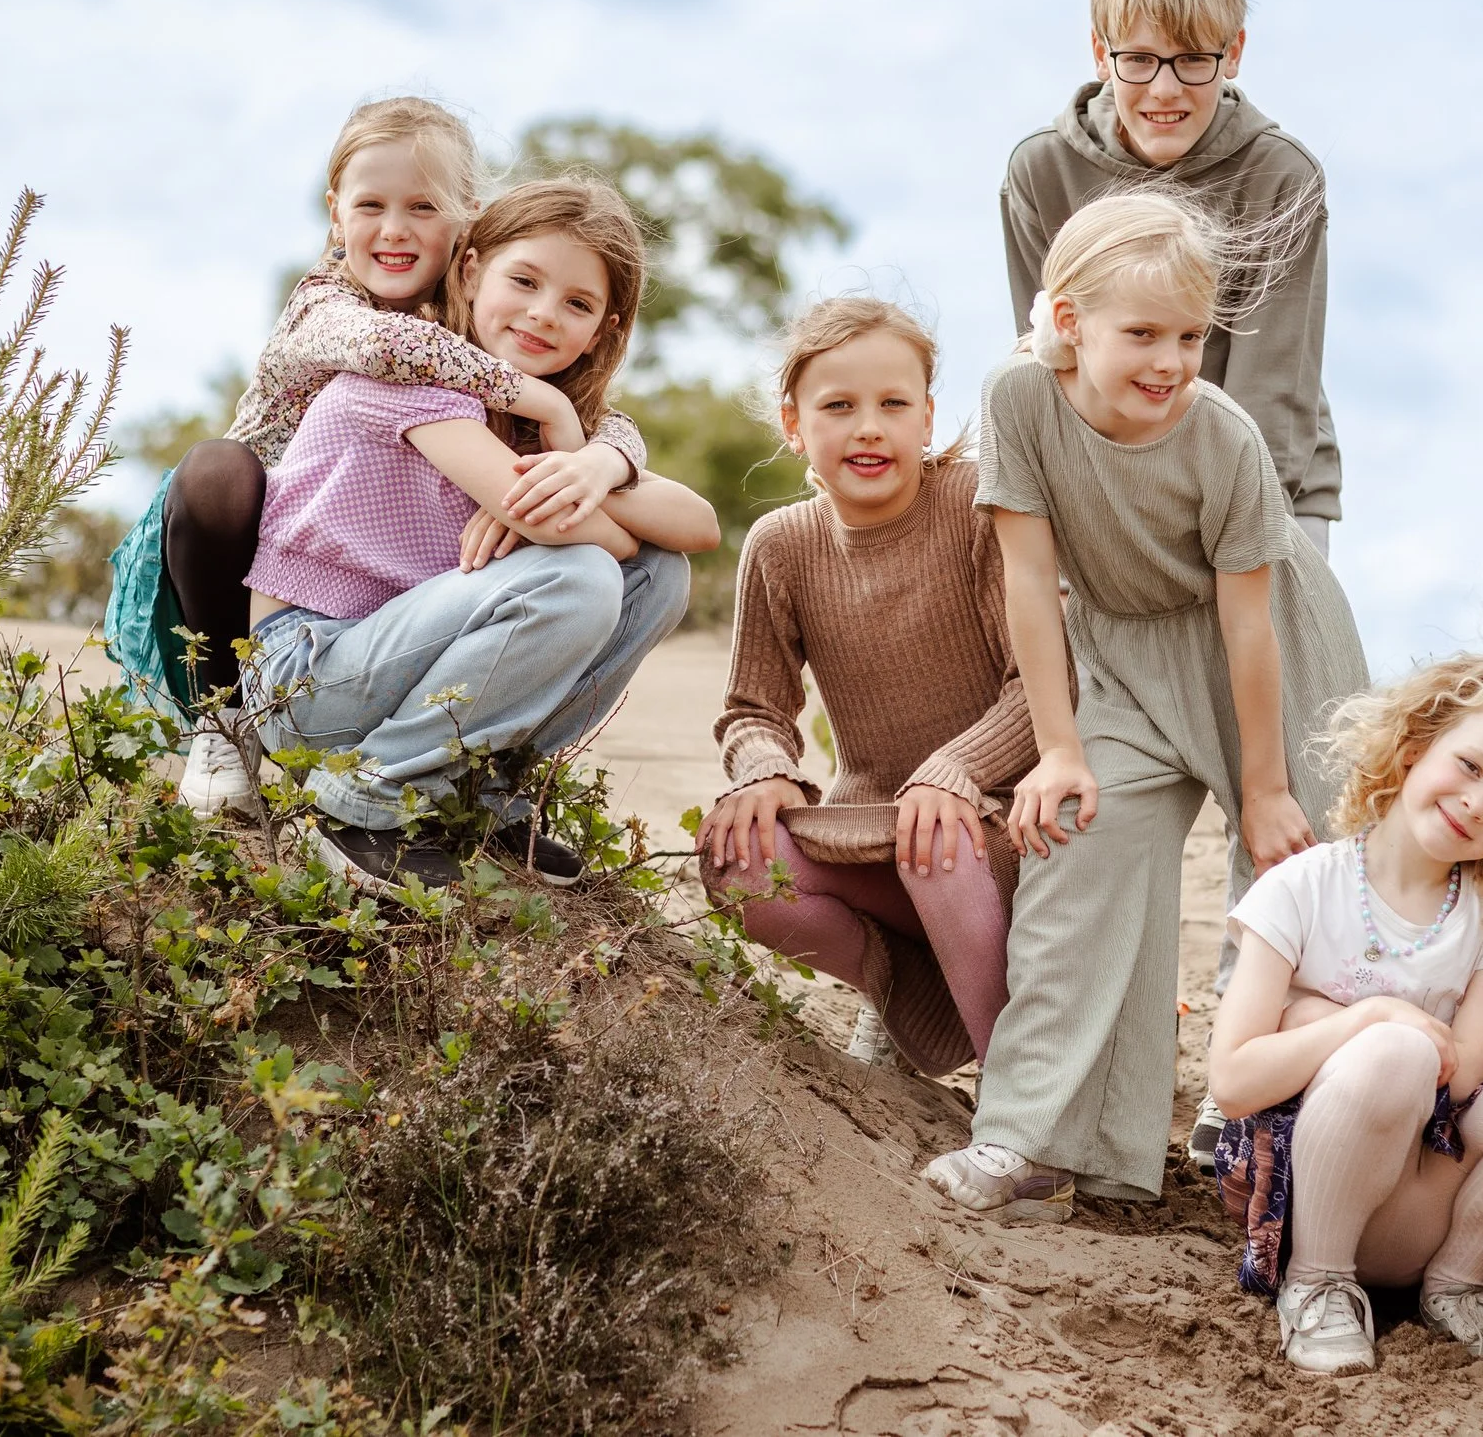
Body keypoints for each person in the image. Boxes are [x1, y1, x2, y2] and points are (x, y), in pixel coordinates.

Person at [922, 189, 1369, 1221]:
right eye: (1142, 334)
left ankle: (1258, 1119)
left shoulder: (1220, 437)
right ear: (1068, 322)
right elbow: (1029, 583)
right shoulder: (1019, 400)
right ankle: (1033, 1134)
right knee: (1080, 836)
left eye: (1188, 336)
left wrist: (1261, 788)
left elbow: (1249, 623)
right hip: (1121, 645)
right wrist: (1059, 748)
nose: (1170, 361)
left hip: (1271, 646)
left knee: (1301, 866)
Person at [998, 0, 1344, 1124]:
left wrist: (1234, 553)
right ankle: (1075, 1091)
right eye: (1139, 58)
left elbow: (1272, 384)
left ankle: (1241, 1096)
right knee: (1105, 799)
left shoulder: (1279, 178)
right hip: (1106, 510)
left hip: (1260, 497)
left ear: (1234, 51)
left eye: (1194, 61)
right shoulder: (1041, 170)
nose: (1165, 88)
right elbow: (1049, 360)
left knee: (1289, 806)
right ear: (1099, 47)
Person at [105, 96, 652, 818]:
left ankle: (466, 776)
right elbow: (388, 351)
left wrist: (601, 462)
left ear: (466, 221)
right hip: (250, 551)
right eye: (371, 205)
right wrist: (541, 405)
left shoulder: (477, 314)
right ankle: (223, 718)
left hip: (373, 575)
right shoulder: (332, 303)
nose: (395, 230)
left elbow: (615, 427)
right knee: (217, 471)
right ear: (336, 213)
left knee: (638, 571)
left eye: (424, 207)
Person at [239, 179, 718, 886]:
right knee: (584, 574)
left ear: (604, 330)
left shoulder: (521, 422)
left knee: (663, 576)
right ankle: (362, 802)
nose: (543, 313)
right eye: (523, 280)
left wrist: (594, 461)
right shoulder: (409, 372)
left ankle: (479, 797)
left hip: (392, 662)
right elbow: (599, 545)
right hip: (305, 682)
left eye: (577, 304)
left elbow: (697, 526)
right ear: (471, 270)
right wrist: (554, 447)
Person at [1208, 646, 1483, 1377]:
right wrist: (1367, 1019)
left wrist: (1309, 1017)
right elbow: (1234, 1079)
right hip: (1311, 1193)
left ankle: (1457, 1286)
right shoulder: (1300, 888)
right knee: (1396, 1048)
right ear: (1416, 748)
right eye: (1470, 766)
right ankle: (1318, 1284)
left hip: (1432, 1203)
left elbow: (1464, 1073)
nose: (1478, 804)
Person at [697, 298, 1032, 1074]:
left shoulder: (978, 505)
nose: (869, 427)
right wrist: (766, 769)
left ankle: (1019, 1101)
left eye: (892, 403)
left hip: (996, 821)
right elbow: (754, 708)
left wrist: (956, 772)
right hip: (871, 823)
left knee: (937, 841)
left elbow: (1041, 685)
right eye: (838, 406)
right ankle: (905, 988)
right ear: (793, 423)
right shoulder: (781, 544)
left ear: (926, 417)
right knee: (736, 860)